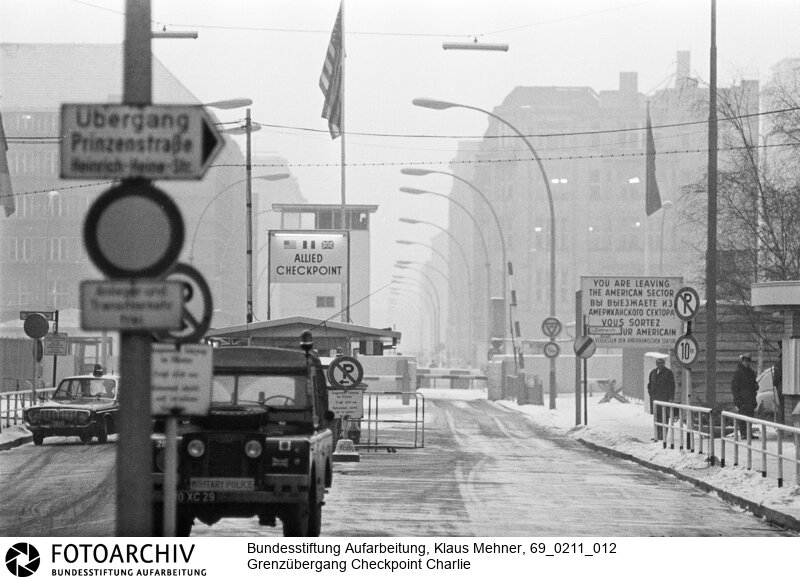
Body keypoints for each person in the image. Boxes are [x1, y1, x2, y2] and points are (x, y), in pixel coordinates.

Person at [647, 357, 675, 440]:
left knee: (665, 418)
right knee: (657, 418)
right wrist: (651, 393)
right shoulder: (653, 372)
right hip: (655, 400)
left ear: (664, 363)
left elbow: (672, 386)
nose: (660, 364)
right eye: (659, 363)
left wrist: (671, 398)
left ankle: (663, 436)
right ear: (656, 364)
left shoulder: (668, 373)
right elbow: (650, 384)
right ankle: (657, 435)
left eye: (662, 363)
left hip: (664, 399)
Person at [731, 354, 758, 438]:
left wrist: (755, 387)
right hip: (742, 398)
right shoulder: (738, 372)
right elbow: (735, 387)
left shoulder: (751, 372)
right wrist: (737, 399)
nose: (747, 363)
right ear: (742, 361)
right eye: (746, 361)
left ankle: (749, 433)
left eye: (748, 361)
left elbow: (754, 385)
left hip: (750, 398)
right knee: (742, 416)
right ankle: (743, 433)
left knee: (750, 415)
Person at [773, 347, 783, 424]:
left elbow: (777, 376)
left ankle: (782, 424)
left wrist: (774, 382)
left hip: (781, 387)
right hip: (784, 387)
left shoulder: (779, 362)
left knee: (782, 408)